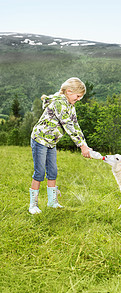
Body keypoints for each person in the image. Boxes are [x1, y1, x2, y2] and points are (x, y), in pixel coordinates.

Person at [29, 77, 91, 214]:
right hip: (40, 140)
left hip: (51, 142)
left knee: (53, 171)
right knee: (39, 172)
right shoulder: (59, 103)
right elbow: (68, 126)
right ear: (69, 91)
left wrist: (85, 144)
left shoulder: (70, 105)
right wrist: (81, 147)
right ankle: (33, 205)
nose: (79, 99)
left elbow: (75, 125)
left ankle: (52, 202)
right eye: (78, 96)